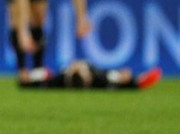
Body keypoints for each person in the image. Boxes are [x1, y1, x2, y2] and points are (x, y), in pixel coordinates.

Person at [19, 60, 162, 90]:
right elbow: (116, 77)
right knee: (120, 79)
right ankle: (138, 81)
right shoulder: (99, 78)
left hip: (64, 80)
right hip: (101, 78)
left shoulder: (58, 79)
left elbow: (29, 81)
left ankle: (138, 81)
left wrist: (30, 77)